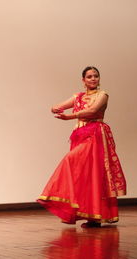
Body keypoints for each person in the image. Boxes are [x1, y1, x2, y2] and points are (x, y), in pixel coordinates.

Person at [37, 66, 126, 227]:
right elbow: (58, 106)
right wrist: (55, 108)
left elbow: (92, 110)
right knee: (84, 175)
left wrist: (70, 116)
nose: (93, 79)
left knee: (86, 169)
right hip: (80, 135)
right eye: (89, 76)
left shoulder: (102, 95)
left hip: (95, 135)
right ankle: (92, 217)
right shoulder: (78, 96)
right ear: (83, 80)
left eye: (96, 76)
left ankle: (93, 215)